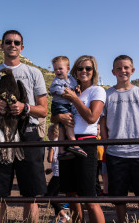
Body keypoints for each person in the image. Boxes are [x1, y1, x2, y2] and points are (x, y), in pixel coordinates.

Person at [0, 30, 48, 223]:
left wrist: (24, 107)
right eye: (8, 42)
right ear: (1, 45)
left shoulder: (33, 73)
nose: (12, 45)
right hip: (1, 133)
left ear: (22, 47)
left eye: (16, 42)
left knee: (31, 193)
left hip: (27, 134)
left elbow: (43, 111)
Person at [100, 55, 139, 223]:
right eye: (119, 68)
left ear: (132, 70)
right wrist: (106, 144)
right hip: (116, 153)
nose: (122, 71)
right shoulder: (107, 95)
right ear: (113, 71)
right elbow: (102, 123)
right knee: (118, 197)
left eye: (126, 67)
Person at [51, 55, 106, 223]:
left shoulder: (97, 90)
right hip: (66, 141)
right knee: (71, 194)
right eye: (80, 68)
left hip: (85, 141)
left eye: (88, 68)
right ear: (74, 71)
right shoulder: (71, 88)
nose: (84, 71)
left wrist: (74, 99)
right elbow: (54, 118)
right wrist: (59, 116)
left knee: (89, 197)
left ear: (93, 71)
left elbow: (91, 117)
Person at [50, 56, 87, 159]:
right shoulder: (56, 81)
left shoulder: (72, 79)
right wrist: (63, 92)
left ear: (68, 69)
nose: (58, 71)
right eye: (55, 69)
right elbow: (52, 89)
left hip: (67, 105)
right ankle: (73, 143)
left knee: (61, 128)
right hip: (59, 105)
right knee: (69, 122)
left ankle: (61, 150)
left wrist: (76, 89)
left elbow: (75, 86)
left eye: (60, 68)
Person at [45, 124, 70, 223]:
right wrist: (50, 170)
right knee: (54, 196)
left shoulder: (52, 144)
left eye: (48, 133)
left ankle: (64, 216)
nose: (47, 135)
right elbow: (58, 160)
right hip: (61, 172)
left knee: (48, 195)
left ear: (53, 133)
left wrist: (50, 148)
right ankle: (59, 218)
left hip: (57, 174)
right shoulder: (61, 142)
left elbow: (50, 159)